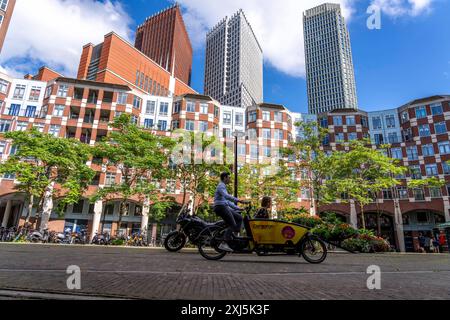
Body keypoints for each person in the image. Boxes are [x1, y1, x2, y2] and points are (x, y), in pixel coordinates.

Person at [213, 172, 248, 252]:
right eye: (229, 177)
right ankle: (224, 243)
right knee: (232, 224)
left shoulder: (223, 187)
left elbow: (228, 202)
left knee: (239, 218)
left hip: (224, 206)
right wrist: (239, 200)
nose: (230, 179)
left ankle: (234, 237)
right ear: (225, 178)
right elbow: (227, 197)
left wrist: (239, 208)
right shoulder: (221, 186)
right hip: (220, 207)